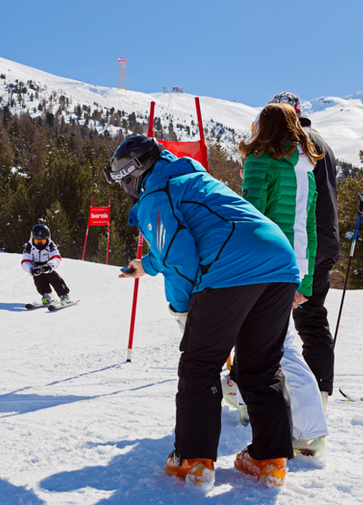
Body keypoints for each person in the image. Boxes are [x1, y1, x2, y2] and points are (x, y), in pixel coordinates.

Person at [106, 135, 301, 490]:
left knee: (200, 363)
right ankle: (268, 460)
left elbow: (181, 261)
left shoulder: (155, 194)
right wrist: (146, 265)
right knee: (261, 366)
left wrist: (183, 311)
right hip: (279, 265)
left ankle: (193, 460)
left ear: (133, 174)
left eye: (122, 182)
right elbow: (197, 235)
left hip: (231, 270)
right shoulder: (191, 178)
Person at [238, 101, 329, 456]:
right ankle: (304, 427)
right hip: (296, 265)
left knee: (279, 347)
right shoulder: (305, 168)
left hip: (265, 264)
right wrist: (305, 280)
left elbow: (251, 216)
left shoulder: (260, 161)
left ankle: (308, 430)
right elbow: (310, 225)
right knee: (277, 342)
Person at [268, 92, 340, 409]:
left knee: (265, 317)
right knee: (313, 319)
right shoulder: (323, 145)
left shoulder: (293, 144)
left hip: (298, 241)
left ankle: (252, 388)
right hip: (326, 241)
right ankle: (320, 395)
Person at [21, 224, 71, 305]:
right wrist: (31, 269)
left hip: (48, 264)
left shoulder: (51, 245)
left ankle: (64, 295)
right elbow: (25, 261)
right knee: (38, 278)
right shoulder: (29, 247)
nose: (40, 244)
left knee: (53, 277)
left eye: (42, 241)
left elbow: (56, 257)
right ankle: (46, 294)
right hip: (36, 265)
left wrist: (50, 266)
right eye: (37, 241)